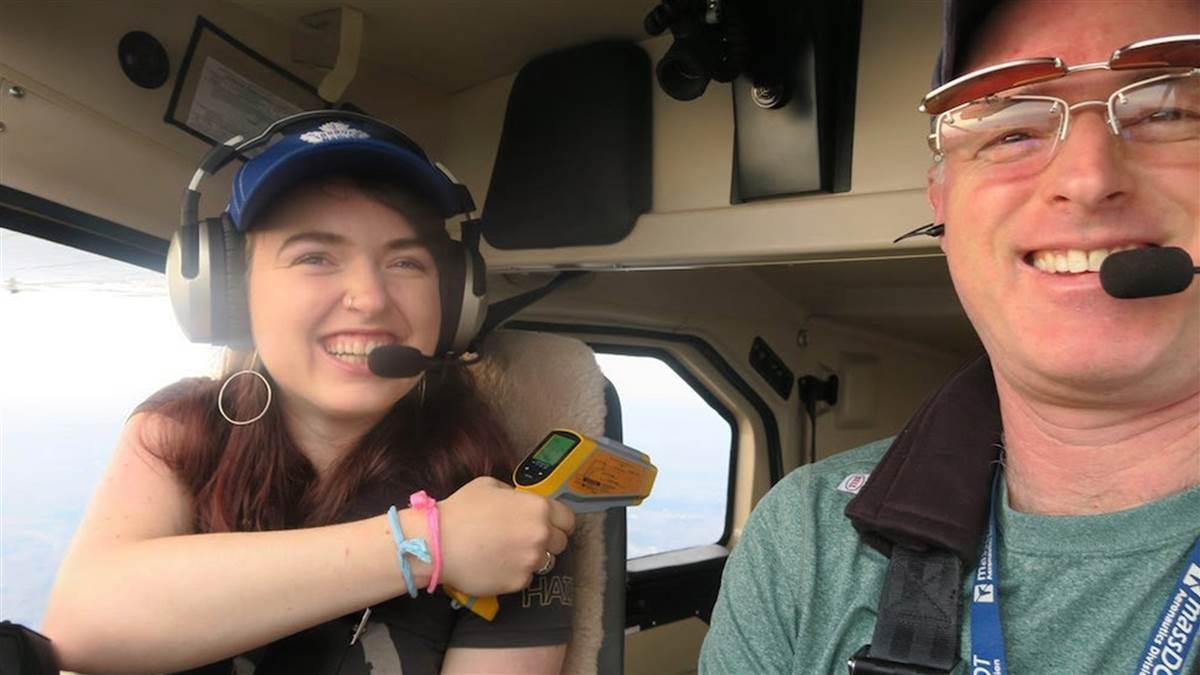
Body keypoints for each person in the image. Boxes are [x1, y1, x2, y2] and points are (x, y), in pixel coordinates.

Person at [701, 1, 1199, 673]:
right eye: (1010, 127)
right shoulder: (807, 537)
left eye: (1169, 110)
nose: (1087, 180)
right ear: (941, 201)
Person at [42, 112, 578, 675]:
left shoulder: (505, 502)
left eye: (405, 262)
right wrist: (426, 543)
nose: (369, 298)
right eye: (315, 257)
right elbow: (84, 627)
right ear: (229, 294)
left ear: (453, 304)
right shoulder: (182, 430)